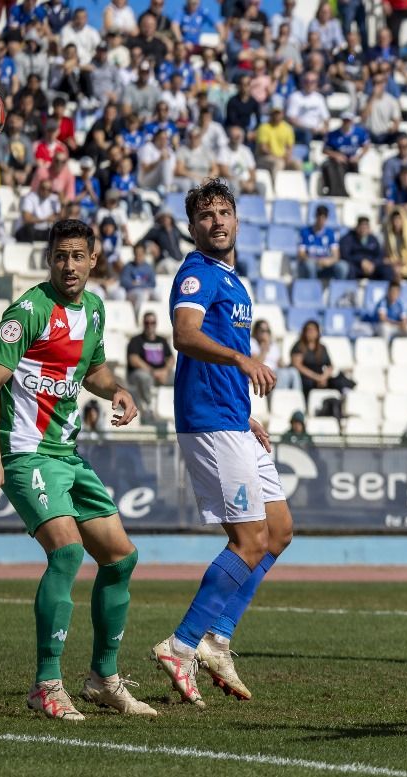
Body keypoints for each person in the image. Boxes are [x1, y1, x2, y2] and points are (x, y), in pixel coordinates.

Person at [0, 219, 153, 720]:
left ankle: (103, 678)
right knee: (68, 554)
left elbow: (91, 370)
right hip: (27, 453)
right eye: (60, 256)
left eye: (78, 255)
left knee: (120, 559)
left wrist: (115, 388)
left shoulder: (93, 310)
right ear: (49, 260)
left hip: (67, 455)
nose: (69, 265)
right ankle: (46, 684)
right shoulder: (28, 310)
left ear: (93, 259)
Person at [151, 180, 292, 708]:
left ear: (237, 219)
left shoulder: (234, 280)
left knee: (278, 532)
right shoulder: (197, 273)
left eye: (224, 212)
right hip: (208, 422)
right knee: (249, 539)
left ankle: (216, 637)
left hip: (233, 418)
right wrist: (241, 363)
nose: (217, 221)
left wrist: (248, 411)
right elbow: (184, 336)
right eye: (206, 215)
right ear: (193, 227)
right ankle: (182, 643)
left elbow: (223, 346)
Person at [125, 311, 174, 422]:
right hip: (141, 374)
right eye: (147, 322)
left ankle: (177, 407)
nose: (150, 325)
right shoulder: (136, 340)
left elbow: (171, 359)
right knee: (144, 377)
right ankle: (148, 408)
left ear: (156, 323)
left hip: (161, 373)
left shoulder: (162, 340)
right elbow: (134, 360)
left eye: (152, 322)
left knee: (180, 377)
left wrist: (165, 371)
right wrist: (153, 372)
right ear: (143, 323)